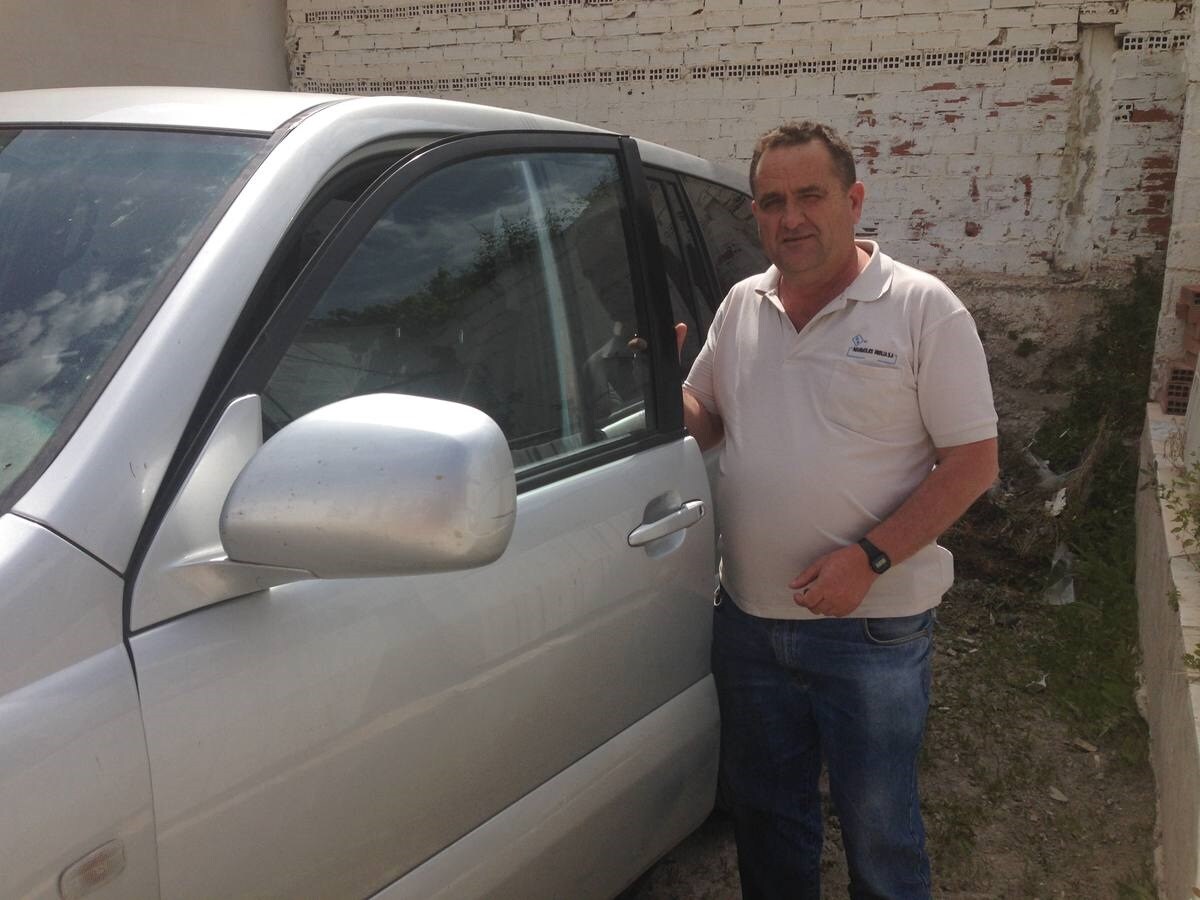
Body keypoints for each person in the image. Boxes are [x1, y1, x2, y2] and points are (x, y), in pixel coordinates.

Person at [677, 122, 999, 899]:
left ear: (853, 200)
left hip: (873, 631)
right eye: (772, 201)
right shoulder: (740, 304)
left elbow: (973, 464)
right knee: (768, 820)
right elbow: (708, 417)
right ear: (756, 214)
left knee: (879, 829)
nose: (792, 217)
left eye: (811, 196)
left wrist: (871, 558)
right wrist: (663, 383)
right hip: (752, 624)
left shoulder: (923, 308)